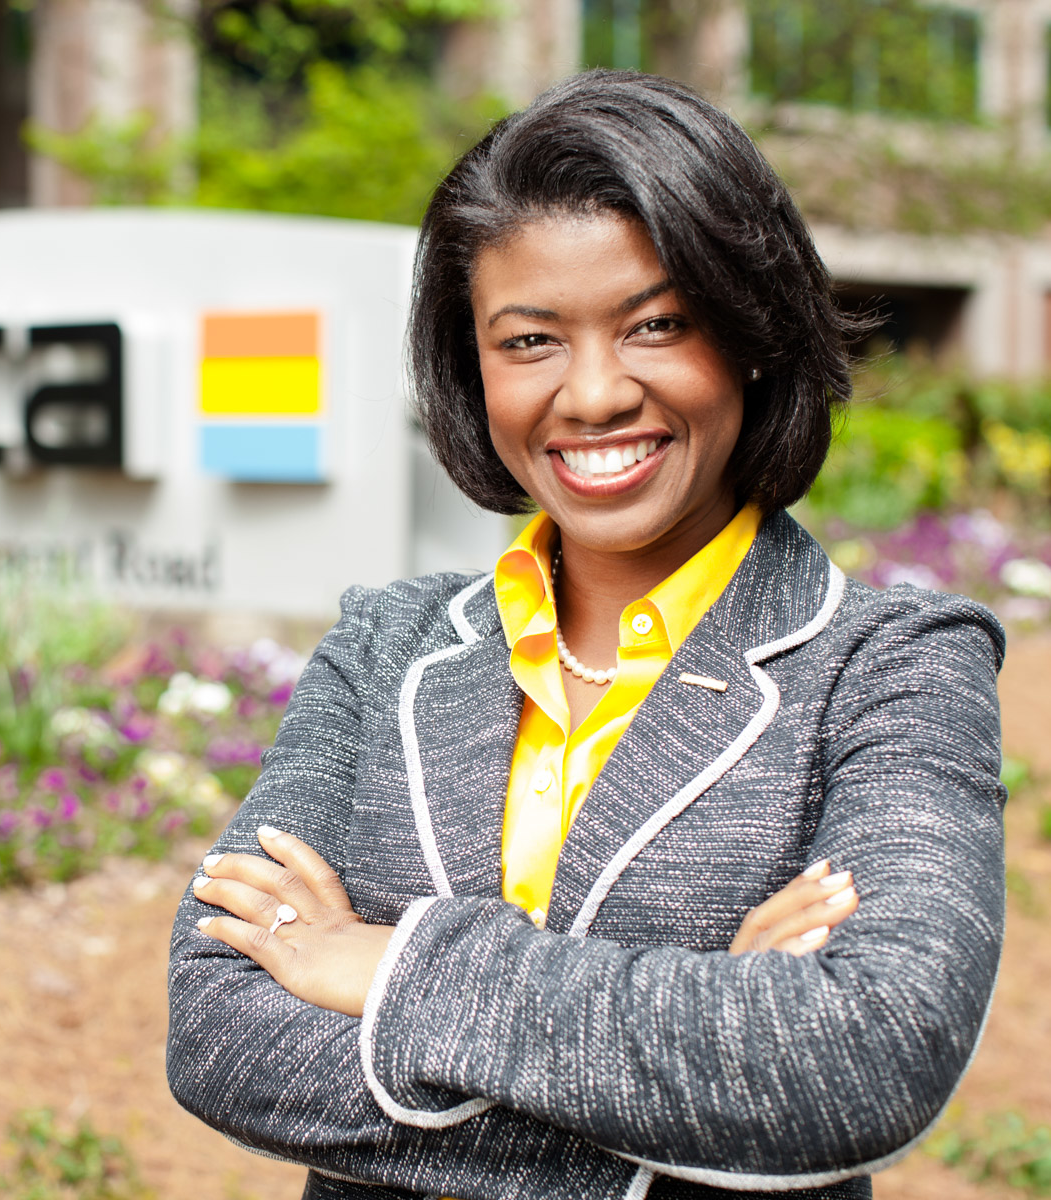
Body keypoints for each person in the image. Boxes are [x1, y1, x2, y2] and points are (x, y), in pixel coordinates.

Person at [165, 70, 1005, 1200]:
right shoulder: (385, 648)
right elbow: (219, 1034)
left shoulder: (893, 665)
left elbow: (867, 1057)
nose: (595, 393)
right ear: (471, 365)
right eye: (529, 341)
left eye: (658, 325)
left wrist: (390, 967)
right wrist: (706, 1042)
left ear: (752, 334)